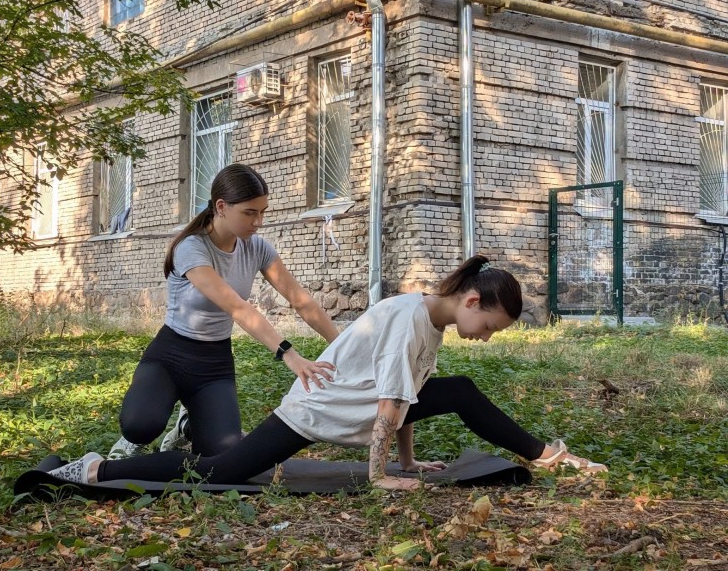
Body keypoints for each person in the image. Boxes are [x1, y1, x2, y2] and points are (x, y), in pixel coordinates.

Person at [55, 255, 608, 490]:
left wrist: (408, 462)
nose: (485, 337)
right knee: (220, 472)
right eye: (488, 326)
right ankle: (100, 469)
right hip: (315, 410)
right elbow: (391, 405)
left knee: (459, 390)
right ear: (470, 301)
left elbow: (409, 396)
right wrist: (379, 474)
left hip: (352, 404)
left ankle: (546, 454)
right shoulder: (410, 320)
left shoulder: (431, 321)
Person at [107, 163, 339, 460]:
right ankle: (131, 441)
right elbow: (237, 307)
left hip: (214, 362)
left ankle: (187, 426)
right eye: (250, 213)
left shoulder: (257, 248)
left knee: (222, 452)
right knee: (140, 425)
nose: (259, 222)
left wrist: (343, 344)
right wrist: (290, 355)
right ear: (221, 207)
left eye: (263, 212)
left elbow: (300, 300)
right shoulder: (191, 248)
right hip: (171, 355)